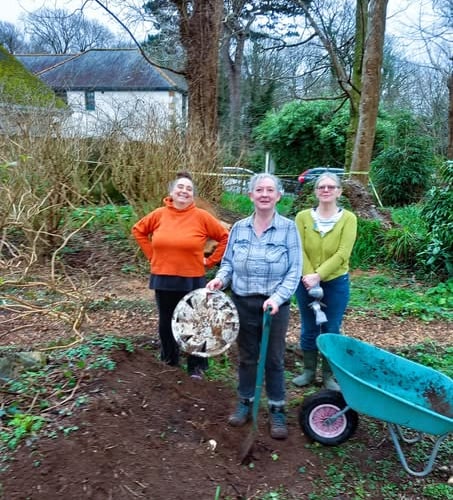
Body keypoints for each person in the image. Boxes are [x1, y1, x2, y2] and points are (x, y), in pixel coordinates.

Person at [207, 173, 302, 440]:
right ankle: (245, 402)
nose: (264, 194)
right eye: (258, 189)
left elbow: (295, 271)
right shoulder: (238, 228)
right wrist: (219, 279)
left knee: (273, 358)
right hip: (243, 301)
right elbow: (227, 263)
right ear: (251, 195)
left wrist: (277, 298)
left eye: (269, 190)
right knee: (247, 356)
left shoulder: (288, 228)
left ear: (278, 196)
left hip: (274, 306)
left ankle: (276, 408)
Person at [131, 171, 229, 379]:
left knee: (195, 321)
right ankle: (169, 361)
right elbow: (138, 230)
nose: (184, 191)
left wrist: (210, 261)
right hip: (163, 276)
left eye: (189, 189)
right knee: (166, 322)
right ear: (171, 192)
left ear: (193, 195)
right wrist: (152, 255)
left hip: (192, 277)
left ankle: (197, 367)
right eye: (180, 187)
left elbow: (224, 237)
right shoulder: (158, 214)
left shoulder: (202, 217)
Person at [292, 173, 357, 390]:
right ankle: (309, 371)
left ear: (339, 191)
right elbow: (298, 248)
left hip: (335, 282)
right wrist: (309, 277)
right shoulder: (302, 217)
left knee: (331, 327)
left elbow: (343, 253)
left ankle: (328, 375)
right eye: (321, 187)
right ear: (316, 191)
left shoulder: (348, 218)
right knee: (309, 327)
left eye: (331, 187)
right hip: (305, 282)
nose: (326, 190)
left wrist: (318, 275)